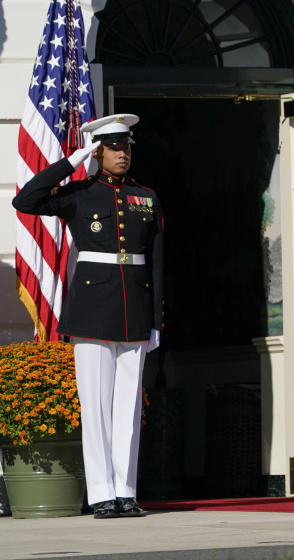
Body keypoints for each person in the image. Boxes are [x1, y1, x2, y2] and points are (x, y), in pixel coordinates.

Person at [13, 113, 163, 519]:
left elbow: (156, 263)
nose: (122, 155)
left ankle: (126, 491)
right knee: (95, 404)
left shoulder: (145, 196)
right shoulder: (79, 193)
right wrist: (72, 162)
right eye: (113, 148)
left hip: (135, 311)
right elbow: (25, 200)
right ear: (98, 152)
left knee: (128, 407)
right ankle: (101, 494)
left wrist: (156, 320)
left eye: (126, 147)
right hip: (93, 311)